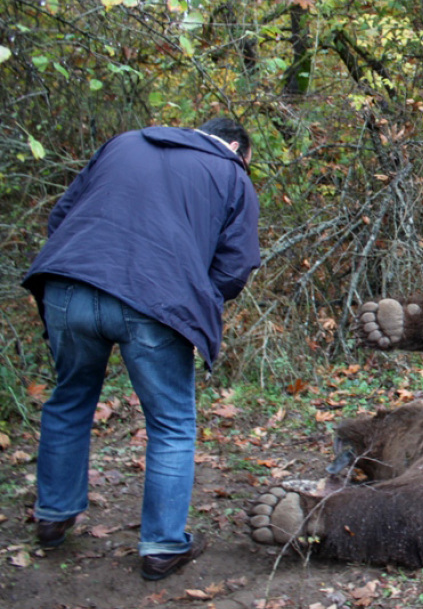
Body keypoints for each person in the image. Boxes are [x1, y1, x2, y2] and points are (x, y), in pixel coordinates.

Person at [21, 117, 261, 580]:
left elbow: (61, 216)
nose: (243, 168)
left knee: (70, 399)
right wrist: (193, 300)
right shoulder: (231, 173)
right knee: (171, 422)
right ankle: (162, 546)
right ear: (234, 146)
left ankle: (52, 516)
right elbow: (235, 268)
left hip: (68, 284)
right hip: (155, 300)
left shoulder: (123, 143)